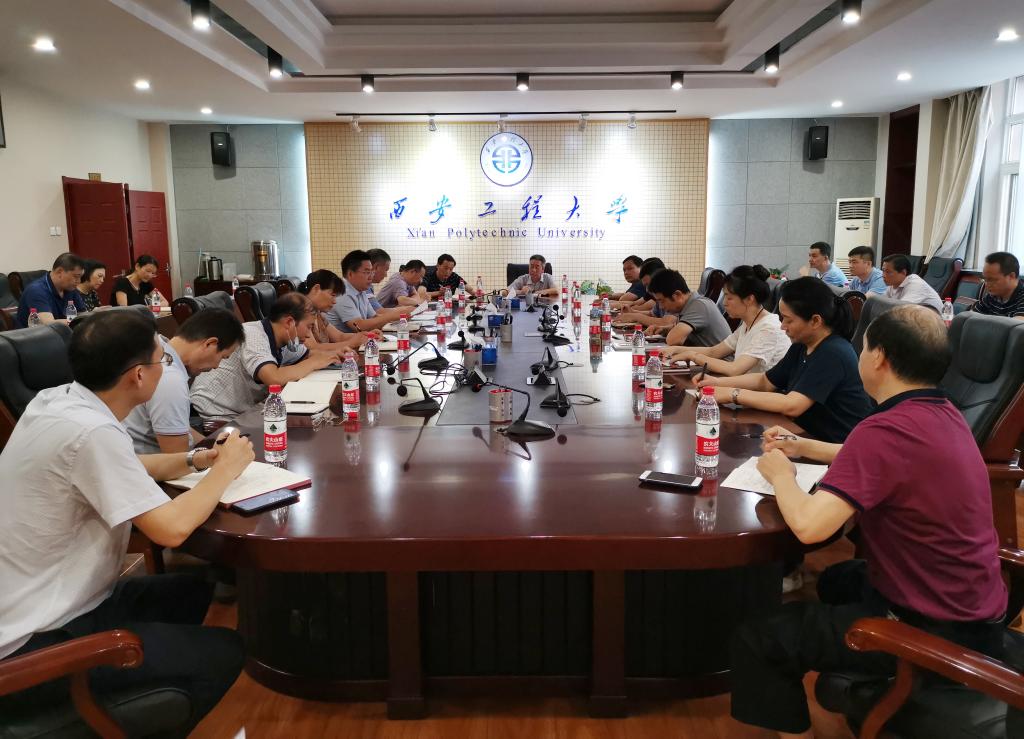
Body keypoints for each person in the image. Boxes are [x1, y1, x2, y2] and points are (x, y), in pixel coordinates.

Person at [731, 305, 1007, 737]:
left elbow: (809, 527)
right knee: (836, 580)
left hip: (933, 629)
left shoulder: (884, 430)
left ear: (878, 358)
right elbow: (868, 455)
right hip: (974, 609)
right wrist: (802, 448)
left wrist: (781, 474)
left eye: (863, 349)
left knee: (762, 638)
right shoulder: (942, 412)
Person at [0, 309, 252, 736]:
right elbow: (171, 529)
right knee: (226, 650)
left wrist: (198, 460)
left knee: (192, 592)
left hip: (54, 600)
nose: (165, 367)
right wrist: (227, 470)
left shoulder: (58, 401)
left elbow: (128, 463)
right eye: (161, 360)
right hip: (29, 642)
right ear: (138, 375)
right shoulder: (91, 432)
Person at [698, 277, 873, 443]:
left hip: (836, 446)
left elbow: (792, 405)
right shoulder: (803, 344)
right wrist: (717, 383)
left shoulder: (833, 352)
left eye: (788, 320)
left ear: (815, 321)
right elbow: (765, 381)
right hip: (804, 433)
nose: (782, 327)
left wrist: (732, 394)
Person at [191, 293, 341, 420]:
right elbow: (273, 378)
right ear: (289, 322)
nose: (309, 334)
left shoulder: (284, 339)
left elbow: (309, 354)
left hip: (244, 410)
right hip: (216, 412)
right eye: (308, 327)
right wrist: (314, 362)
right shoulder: (252, 335)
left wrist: (335, 355)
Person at [124, 309, 245, 454]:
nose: (216, 366)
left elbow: (179, 427)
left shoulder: (159, 345)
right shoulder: (170, 378)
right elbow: (177, 458)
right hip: (148, 464)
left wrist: (212, 447)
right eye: (223, 357)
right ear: (210, 344)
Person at [663, 265, 790, 375]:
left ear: (749, 299)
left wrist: (693, 356)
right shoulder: (748, 324)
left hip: (764, 394)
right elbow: (713, 352)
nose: (724, 303)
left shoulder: (768, 328)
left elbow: (734, 369)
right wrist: (676, 350)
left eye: (729, 298)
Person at [646, 268, 732, 347]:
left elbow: (673, 340)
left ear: (677, 295)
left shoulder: (699, 306)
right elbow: (681, 329)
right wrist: (663, 329)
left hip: (719, 358)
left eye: (661, 301)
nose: (661, 307)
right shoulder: (689, 305)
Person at [298, 269, 374, 352]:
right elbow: (313, 348)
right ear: (316, 289)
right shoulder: (300, 313)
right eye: (332, 295)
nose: (334, 301)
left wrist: (367, 336)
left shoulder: (318, 314)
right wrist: (352, 343)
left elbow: (339, 336)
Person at [327, 250, 403, 333]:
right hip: (343, 340)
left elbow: (374, 317)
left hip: (357, 339)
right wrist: (390, 316)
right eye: (367, 272)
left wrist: (399, 320)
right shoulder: (343, 293)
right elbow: (359, 326)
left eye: (371, 272)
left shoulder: (361, 290)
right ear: (350, 274)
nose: (371, 277)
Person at [15, 252, 87, 327]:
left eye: (80, 277)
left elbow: (82, 315)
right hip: (35, 334)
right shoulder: (36, 290)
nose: (79, 281)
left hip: (64, 333)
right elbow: (49, 324)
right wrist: (79, 322)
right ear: (60, 272)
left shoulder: (70, 288)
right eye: (76, 276)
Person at [615, 258, 671, 328]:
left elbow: (666, 322)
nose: (647, 290)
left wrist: (635, 316)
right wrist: (632, 312)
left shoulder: (671, 292)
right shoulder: (657, 294)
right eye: (624, 270)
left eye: (630, 268)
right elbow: (653, 314)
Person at [972, 251, 1024, 319]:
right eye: (985, 279)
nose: (987, 284)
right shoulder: (992, 296)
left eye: (992, 279)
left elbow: (1017, 323)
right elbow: (970, 317)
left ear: (1011, 276)